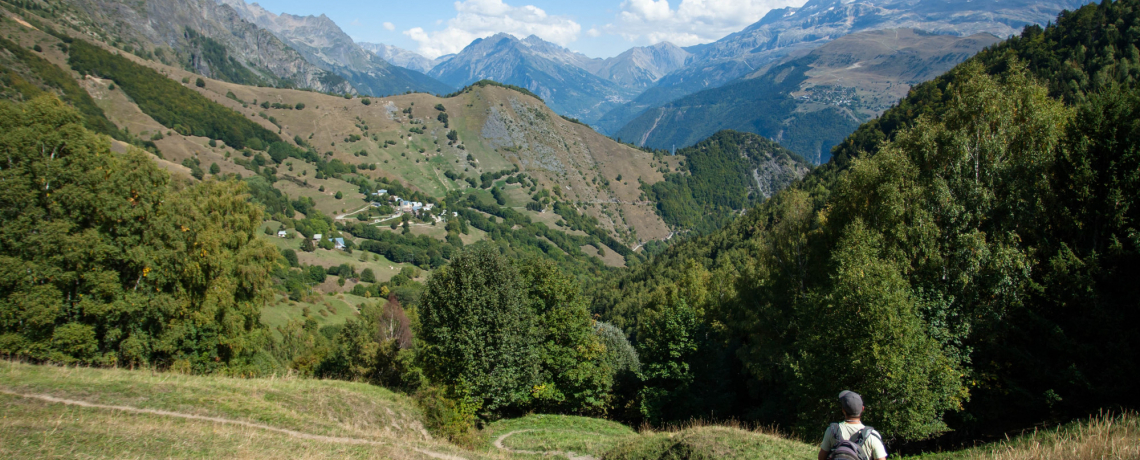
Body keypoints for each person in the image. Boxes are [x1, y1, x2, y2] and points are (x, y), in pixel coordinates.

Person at [817, 390, 887, 460]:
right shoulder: (872, 436)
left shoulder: (832, 431)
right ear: (862, 409)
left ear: (843, 410)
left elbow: (821, 458)